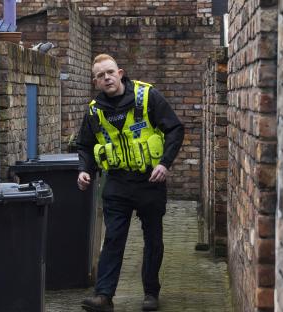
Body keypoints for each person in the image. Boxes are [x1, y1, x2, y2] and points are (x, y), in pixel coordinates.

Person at [77, 54, 184, 312]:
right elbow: (85, 145)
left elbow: (175, 129)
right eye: (101, 76)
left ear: (120, 72)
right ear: (96, 82)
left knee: (153, 239)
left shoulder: (147, 97)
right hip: (117, 183)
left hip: (150, 180)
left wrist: (164, 163)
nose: (107, 78)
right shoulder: (94, 110)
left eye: (110, 72)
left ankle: (150, 293)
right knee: (113, 238)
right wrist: (84, 170)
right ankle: (103, 296)